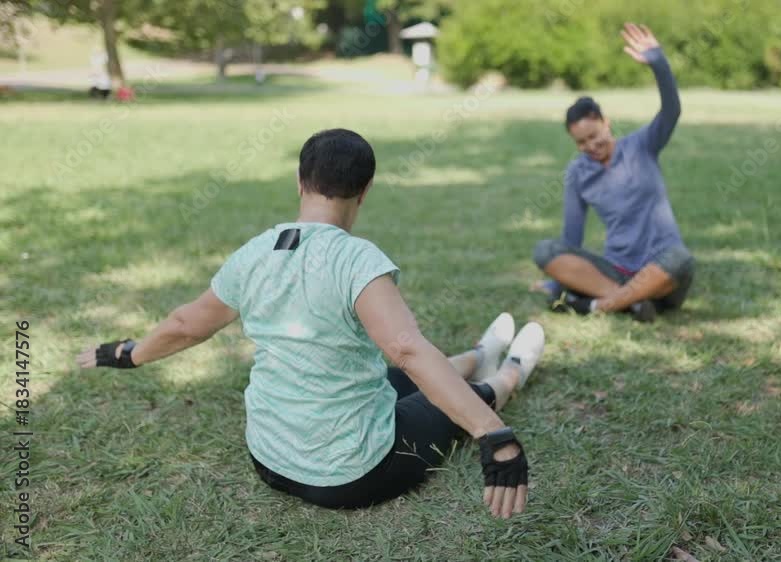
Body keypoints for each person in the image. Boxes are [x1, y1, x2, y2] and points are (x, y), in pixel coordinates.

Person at [75, 128, 546, 519]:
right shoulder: (357, 260)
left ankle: (479, 354)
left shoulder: (257, 251)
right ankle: (510, 373)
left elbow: (186, 324)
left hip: (268, 461)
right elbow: (406, 348)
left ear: (300, 183)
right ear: (366, 190)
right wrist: (493, 434)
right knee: (441, 400)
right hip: (355, 475)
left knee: (398, 380)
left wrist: (130, 353)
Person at [532, 23, 694, 323]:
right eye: (581, 142)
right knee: (545, 250)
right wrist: (559, 279)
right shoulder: (578, 173)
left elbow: (671, 110)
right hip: (616, 271)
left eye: (594, 136)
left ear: (606, 122)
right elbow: (571, 240)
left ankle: (595, 305)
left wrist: (658, 62)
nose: (590, 146)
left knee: (680, 258)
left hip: (661, 270)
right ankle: (632, 303)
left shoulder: (642, 145)